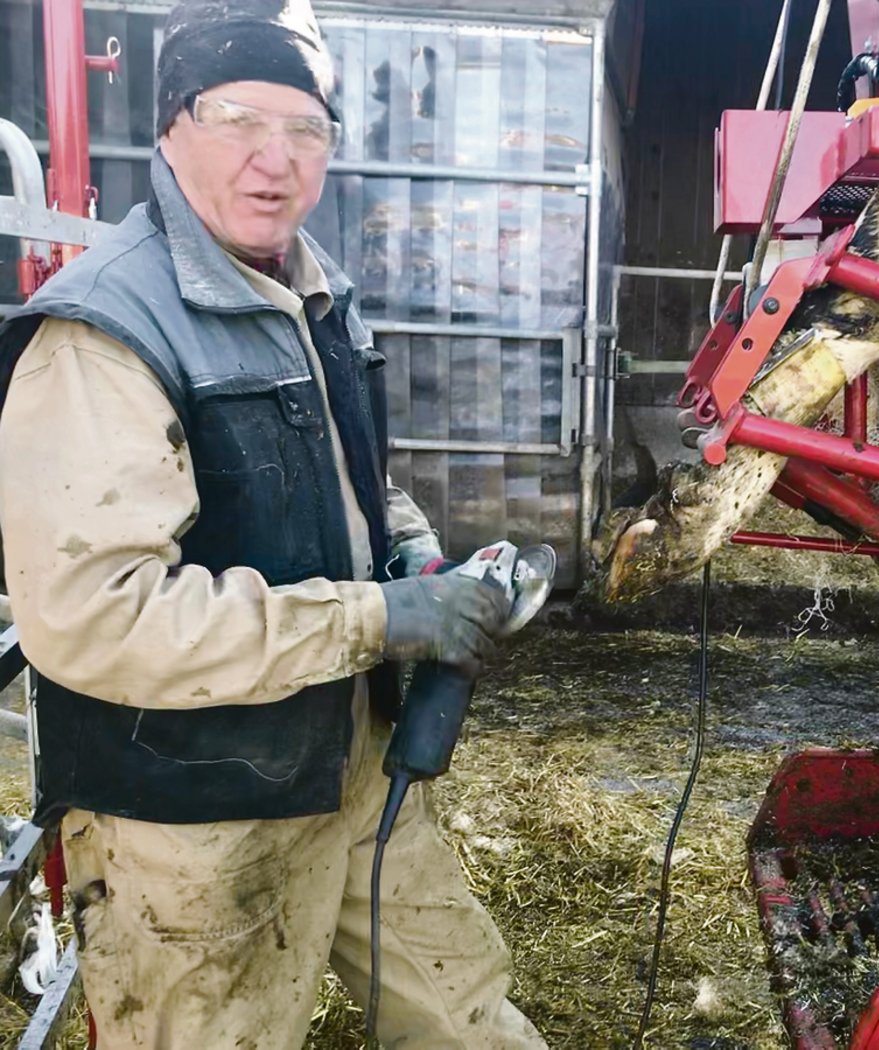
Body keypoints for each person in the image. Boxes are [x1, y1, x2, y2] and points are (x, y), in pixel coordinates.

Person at [0, 2, 547, 1047]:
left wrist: (413, 551)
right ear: (170, 128)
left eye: (307, 130)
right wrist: (380, 620)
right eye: (239, 118)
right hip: (198, 829)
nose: (275, 159)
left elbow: (352, 480)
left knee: (466, 1014)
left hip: (347, 769)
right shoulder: (106, 335)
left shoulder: (311, 290)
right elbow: (94, 619)